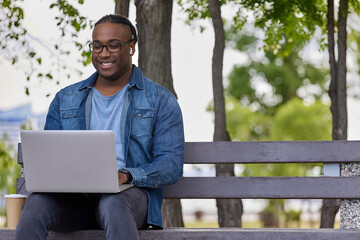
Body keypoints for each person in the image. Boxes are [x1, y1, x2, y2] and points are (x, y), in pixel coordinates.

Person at [15, 14, 184, 240]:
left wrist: (126, 175)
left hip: (128, 198)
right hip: (76, 200)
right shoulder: (65, 99)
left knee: (113, 202)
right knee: (36, 203)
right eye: (97, 46)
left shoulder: (160, 100)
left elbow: (171, 165)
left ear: (132, 46)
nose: (103, 53)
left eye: (113, 46)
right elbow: (51, 156)